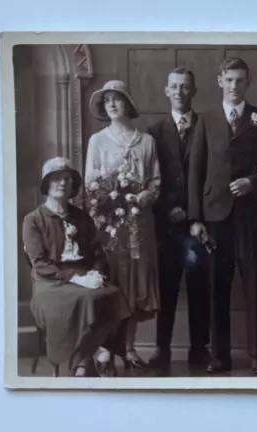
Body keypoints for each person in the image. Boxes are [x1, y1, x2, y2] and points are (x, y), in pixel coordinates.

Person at [187, 58, 257, 375]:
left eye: (240, 80)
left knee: (255, 284)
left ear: (248, 82)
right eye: (229, 80)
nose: (234, 86)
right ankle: (220, 357)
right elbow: (195, 172)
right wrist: (195, 218)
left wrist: (253, 183)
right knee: (217, 285)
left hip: (251, 216)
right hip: (215, 217)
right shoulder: (206, 119)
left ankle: (256, 355)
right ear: (220, 81)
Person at [23, 157, 132, 377]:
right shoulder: (33, 220)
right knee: (88, 299)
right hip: (51, 283)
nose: (62, 183)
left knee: (114, 294)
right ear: (46, 185)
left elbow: (98, 253)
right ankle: (90, 358)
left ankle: (83, 362)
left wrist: (95, 272)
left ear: (73, 185)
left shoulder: (82, 217)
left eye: (67, 178)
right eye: (56, 179)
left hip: (85, 276)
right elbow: (40, 264)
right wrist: (76, 278)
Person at [85, 79, 161, 370]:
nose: (113, 104)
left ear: (127, 103)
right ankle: (104, 350)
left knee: (134, 285)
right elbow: (90, 182)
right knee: (112, 282)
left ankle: (129, 348)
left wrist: (144, 196)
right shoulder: (98, 141)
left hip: (139, 223)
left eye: (117, 99)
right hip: (110, 226)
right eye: (108, 101)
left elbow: (155, 180)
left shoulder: (146, 141)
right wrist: (109, 197)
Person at [146, 68, 210, 370]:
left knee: (199, 288)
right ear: (166, 91)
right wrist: (169, 208)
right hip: (167, 225)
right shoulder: (154, 131)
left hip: (199, 223)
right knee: (167, 289)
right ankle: (162, 348)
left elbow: (213, 174)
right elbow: (150, 177)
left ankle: (200, 349)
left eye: (185, 87)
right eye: (174, 87)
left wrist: (196, 213)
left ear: (194, 91)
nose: (180, 92)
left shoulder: (207, 126)